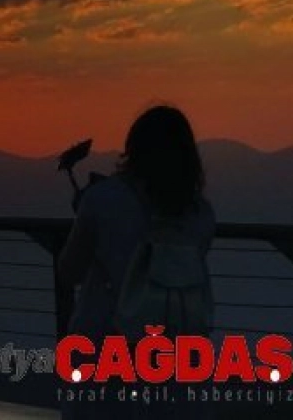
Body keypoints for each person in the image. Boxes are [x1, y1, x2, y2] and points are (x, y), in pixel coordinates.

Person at [58, 106, 215, 419]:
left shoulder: (101, 199)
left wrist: (88, 220)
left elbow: (68, 271)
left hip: (106, 354)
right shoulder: (202, 214)